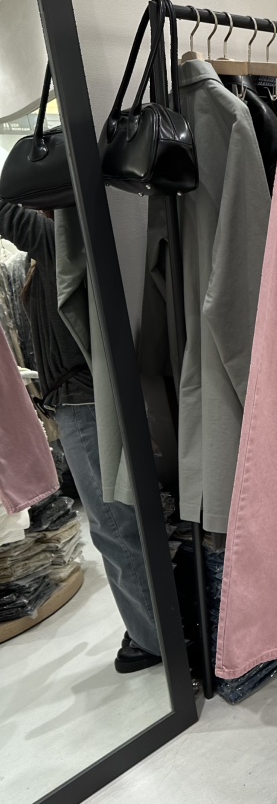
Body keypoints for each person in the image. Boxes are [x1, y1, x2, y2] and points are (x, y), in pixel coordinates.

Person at [0, 201, 161, 673]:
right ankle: (154, 625)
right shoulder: (66, 241)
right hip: (87, 398)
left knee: (114, 527)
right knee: (124, 523)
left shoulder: (59, 236)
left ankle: (152, 637)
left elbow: (7, 213)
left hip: (84, 403)